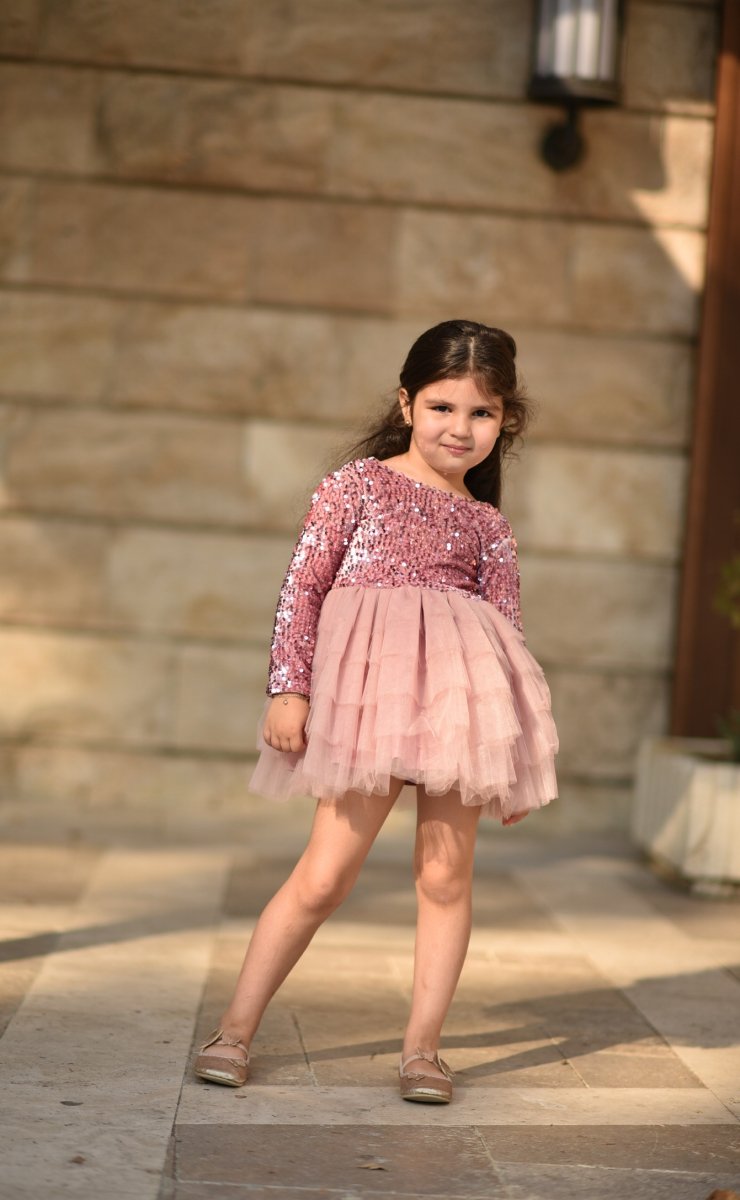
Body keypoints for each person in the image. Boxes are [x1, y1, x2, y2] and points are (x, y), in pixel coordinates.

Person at [193, 319, 558, 1102]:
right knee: (325, 875)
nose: (460, 428)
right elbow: (303, 588)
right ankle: (234, 1029)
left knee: (445, 876)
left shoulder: (488, 527)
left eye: (482, 413)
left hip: (458, 714)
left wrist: (516, 753)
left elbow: (509, 643)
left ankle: (423, 1051)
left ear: (505, 422)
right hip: (366, 706)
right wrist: (289, 688)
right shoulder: (355, 487)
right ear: (406, 403)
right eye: (442, 407)